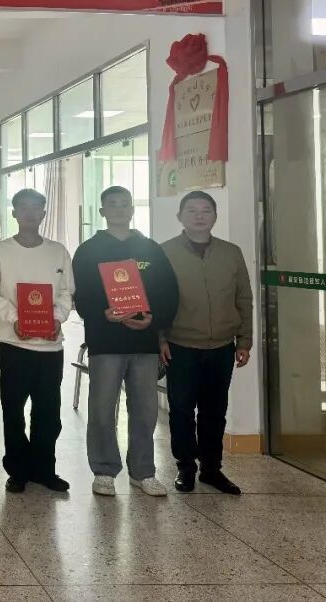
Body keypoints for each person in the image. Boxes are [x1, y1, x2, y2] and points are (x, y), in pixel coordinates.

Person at [72, 185, 178, 498]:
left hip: (144, 343)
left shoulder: (150, 249)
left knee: (145, 411)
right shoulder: (88, 250)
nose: (119, 209)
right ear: (102, 211)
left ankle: (143, 471)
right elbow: (80, 294)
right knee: (102, 409)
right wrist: (101, 313)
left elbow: (168, 292)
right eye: (112, 204)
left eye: (124, 204)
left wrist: (153, 320)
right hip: (105, 343)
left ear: (132, 209)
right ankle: (104, 470)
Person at [0, 188, 74, 494]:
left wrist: (57, 318)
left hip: (50, 347)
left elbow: (66, 292)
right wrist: (14, 318)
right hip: (14, 345)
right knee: (13, 411)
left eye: (36, 208)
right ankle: (18, 471)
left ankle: (44, 470)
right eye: (24, 207)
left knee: (48, 413)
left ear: (44, 213)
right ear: (14, 213)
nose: (30, 213)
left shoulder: (58, 251)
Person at [161, 190, 253, 495]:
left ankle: (212, 469)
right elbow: (156, 299)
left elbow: (244, 298)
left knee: (215, 411)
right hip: (181, 344)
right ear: (180, 216)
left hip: (222, 346)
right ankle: (185, 467)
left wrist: (245, 340)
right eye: (192, 210)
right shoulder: (165, 252)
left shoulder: (231, 252)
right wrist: (160, 338)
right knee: (182, 410)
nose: (199, 216)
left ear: (215, 216)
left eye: (206, 210)